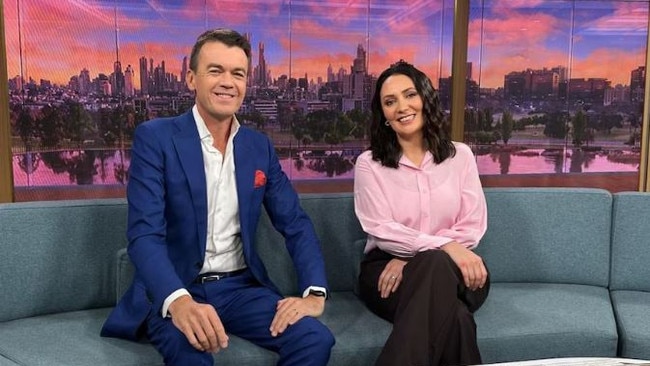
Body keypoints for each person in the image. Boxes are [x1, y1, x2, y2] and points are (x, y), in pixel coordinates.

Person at [101, 28, 334, 366]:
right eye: (216, 70)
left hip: (241, 288)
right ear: (191, 79)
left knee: (315, 340)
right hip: (178, 287)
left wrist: (314, 292)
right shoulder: (155, 138)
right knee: (191, 355)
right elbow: (144, 236)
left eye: (237, 73)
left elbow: (295, 222)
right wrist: (179, 302)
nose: (228, 81)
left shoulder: (259, 147)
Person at [353, 60, 490, 366]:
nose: (402, 106)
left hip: (460, 268)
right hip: (386, 271)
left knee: (434, 265)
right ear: (384, 116)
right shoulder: (369, 164)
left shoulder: (461, 156)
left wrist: (418, 255)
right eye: (390, 102)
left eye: (410, 94)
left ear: (425, 98)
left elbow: (472, 226)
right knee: (456, 319)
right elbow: (381, 229)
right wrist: (440, 245)